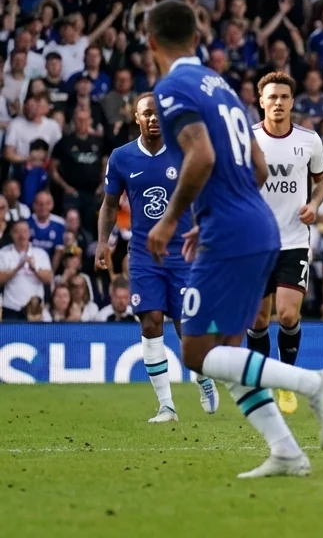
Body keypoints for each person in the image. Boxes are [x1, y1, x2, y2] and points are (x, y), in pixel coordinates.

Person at [143, 0, 323, 479]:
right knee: (229, 348)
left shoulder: (173, 88)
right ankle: (286, 451)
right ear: (196, 37)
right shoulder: (222, 86)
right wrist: (219, 212)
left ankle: (313, 384)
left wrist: (171, 219)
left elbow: (202, 156)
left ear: (152, 44)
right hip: (253, 224)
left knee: (196, 351)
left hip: (233, 232)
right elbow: (256, 167)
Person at [98, 93, 219, 421]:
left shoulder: (185, 153)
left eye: (158, 114)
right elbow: (110, 205)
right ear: (136, 118)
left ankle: (203, 377)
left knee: (186, 328)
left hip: (182, 253)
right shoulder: (122, 158)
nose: (153, 119)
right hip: (143, 255)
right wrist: (101, 243)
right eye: (146, 114)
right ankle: (166, 405)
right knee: (150, 322)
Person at [247, 72, 323, 415]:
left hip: (294, 239)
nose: (278, 102)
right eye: (272, 97)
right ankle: (263, 381)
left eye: (284, 97)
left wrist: (315, 204)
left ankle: (286, 380)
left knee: (288, 313)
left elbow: (321, 181)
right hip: (255, 243)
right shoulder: (247, 140)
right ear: (261, 101)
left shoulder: (309, 140)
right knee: (258, 322)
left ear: (292, 102)